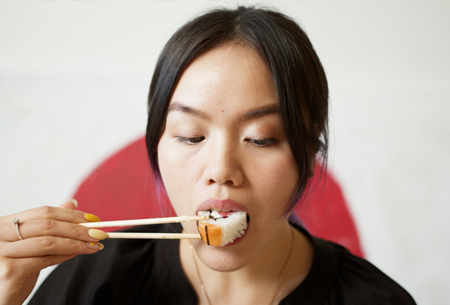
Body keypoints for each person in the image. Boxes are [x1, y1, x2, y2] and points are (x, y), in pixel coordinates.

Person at [0, 6, 415, 305]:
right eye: (190, 135)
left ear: (310, 154)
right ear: (156, 144)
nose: (221, 170)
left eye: (261, 138)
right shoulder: (99, 281)